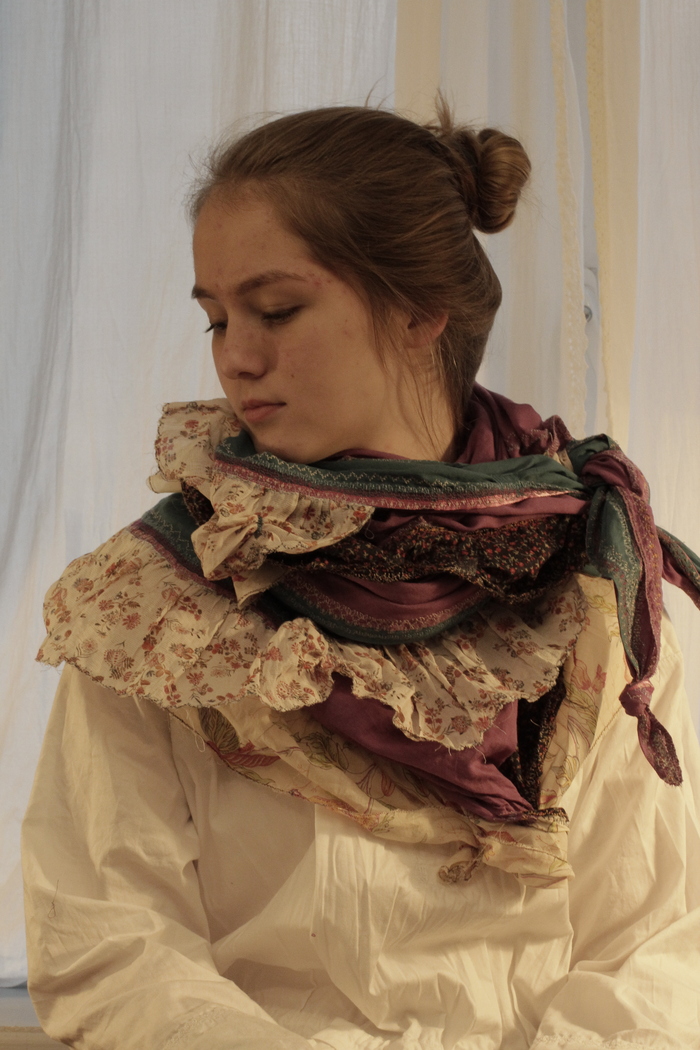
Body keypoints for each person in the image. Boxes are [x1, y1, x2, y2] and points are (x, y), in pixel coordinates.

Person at [22, 102, 700, 1050]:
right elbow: (109, 940)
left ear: (419, 307)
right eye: (216, 319)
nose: (235, 358)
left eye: (276, 310)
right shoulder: (154, 609)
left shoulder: (590, 591)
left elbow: (656, 945)